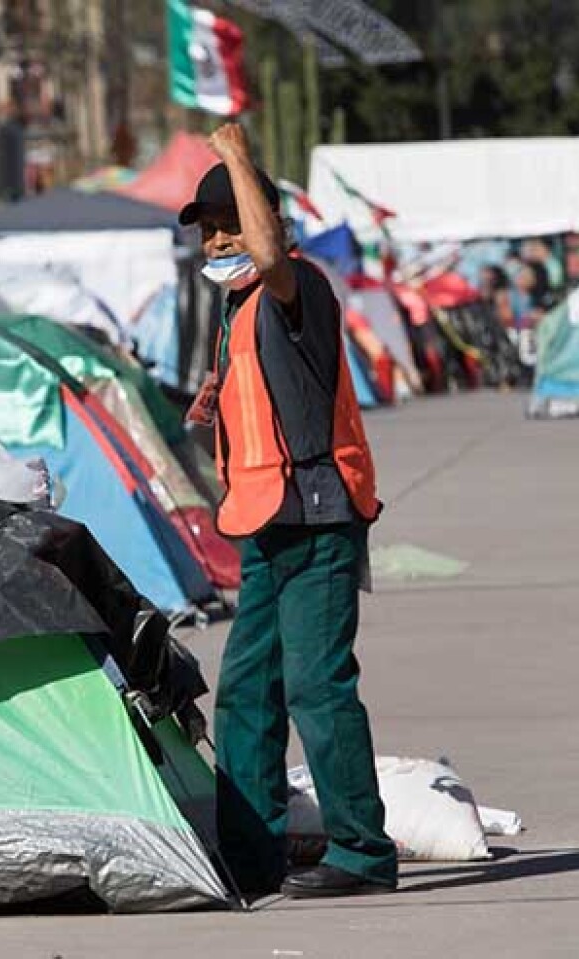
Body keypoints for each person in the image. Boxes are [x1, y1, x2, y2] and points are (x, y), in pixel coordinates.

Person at [181, 122, 398, 900]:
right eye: (206, 232)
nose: (214, 242)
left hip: (316, 520)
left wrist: (238, 155)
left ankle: (364, 852)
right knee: (246, 692)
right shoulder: (237, 313)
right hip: (266, 526)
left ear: (264, 219)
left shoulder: (296, 284)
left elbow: (270, 254)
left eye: (227, 224)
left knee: (316, 684)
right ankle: (250, 853)